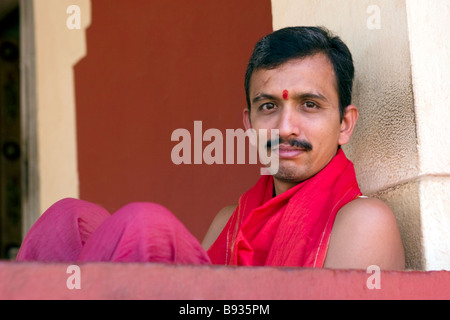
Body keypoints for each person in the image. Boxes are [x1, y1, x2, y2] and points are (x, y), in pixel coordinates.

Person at [16, 26, 405, 270]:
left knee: (145, 228)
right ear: (248, 124)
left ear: (345, 124)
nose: (285, 127)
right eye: (268, 107)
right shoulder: (229, 221)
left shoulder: (362, 221)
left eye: (310, 105)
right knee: (69, 218)